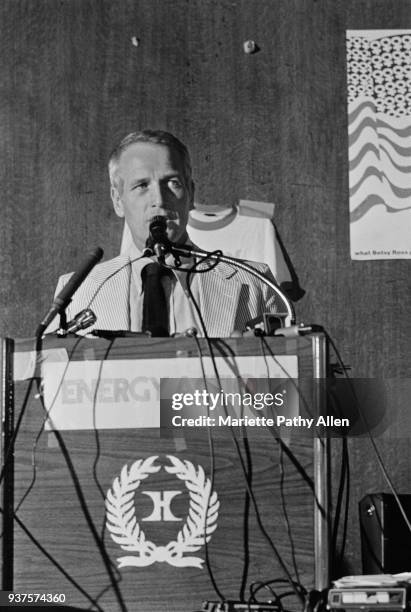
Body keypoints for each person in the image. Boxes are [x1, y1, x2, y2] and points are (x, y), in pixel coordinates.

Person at [50, 130, 284, 337]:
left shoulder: (255, 282)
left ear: (191, 193)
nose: (159, 200)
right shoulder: (76, 292)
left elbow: (285, 381)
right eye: (141, 186)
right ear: (118, 200)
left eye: (172, 183)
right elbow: (51, 379)